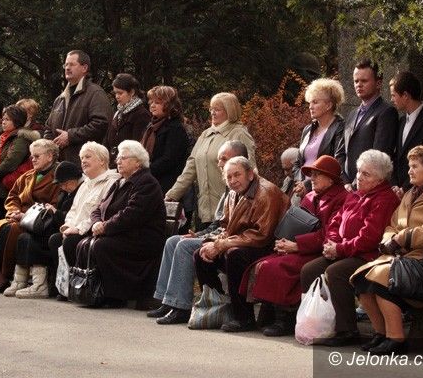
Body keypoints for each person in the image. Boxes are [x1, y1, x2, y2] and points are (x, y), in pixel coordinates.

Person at [351, 146, 423, 355]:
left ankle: (396, 338)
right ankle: (381, 333)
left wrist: (402, 238)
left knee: (381, 279)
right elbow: (392, 224)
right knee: (361, 279)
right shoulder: (410, 194)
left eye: (414, 166)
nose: (409, 171)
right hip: (403, 258)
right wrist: (388, 239)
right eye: (409, 166)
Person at [238, 155, 348, 336]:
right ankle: (271, 312)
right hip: (300, 246)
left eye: (317, 175)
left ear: (331, 179)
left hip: (318, 250)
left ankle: (286, 318)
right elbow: (295, 223)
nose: (312, 179)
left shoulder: (342, 198)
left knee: (279, 267)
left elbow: (329, 234)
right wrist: (284, 242)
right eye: (311, 175)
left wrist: (297, 246)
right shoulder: (310, 196)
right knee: (264, 263)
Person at [300, 149, 400, 346]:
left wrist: (340, 249)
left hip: (368, 255)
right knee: (309, 270)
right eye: (359, 171)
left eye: (366, 174)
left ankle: (347, 330)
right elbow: (336, 222)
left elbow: (369, 238)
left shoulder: (384, 199)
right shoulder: (355, 195)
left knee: (336, 272)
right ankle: (315, 325)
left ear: (380, 179)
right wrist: (331, 243)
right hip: (345, 250)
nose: (359, 177)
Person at [148, 140, 248, 324]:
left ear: (239, 159)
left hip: (229, 240)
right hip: (218, 235)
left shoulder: (243, 188)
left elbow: (230, 229)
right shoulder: (230, 189)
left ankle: (181, 307)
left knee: (184, 246)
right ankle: (166, 300)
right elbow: (218, 224)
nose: (219, 163)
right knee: (172, 241)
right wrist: (199, 235)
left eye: (223, 159)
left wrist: (207, 238)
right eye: (219, 159)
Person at [193, 156, 288, 332]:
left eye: (237, 175)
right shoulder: (232, 193)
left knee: (234, 255)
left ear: (250, 174)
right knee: (201, 253)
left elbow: (262, 235)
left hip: (269, 245)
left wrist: (223, 245)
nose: (233, 180)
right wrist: (214, 243)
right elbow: (226, 227)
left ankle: (244, 317)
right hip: (242, 242)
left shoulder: (266, 192)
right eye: (228, 177)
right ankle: (219, 309)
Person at [74, 140, 166, 307]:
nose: (118, 161)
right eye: (118, 158)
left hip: (142, 237)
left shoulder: (147, 183)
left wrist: (105, 226)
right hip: (122, 233)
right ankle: (91, 291)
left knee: (101, 246)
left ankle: (115, 295)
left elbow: (132, 214)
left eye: (123, 158)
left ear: (138, 162)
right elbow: (98, 209)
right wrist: (96, 223)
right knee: (84, 244)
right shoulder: (119, 182)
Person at [0, 139, 60, 294]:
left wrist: (25, 215)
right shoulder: (27, 175)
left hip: (39, 222)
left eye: (37, 156)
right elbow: (13, 197)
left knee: (10, 230)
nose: (33, 159)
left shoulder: (57, 177)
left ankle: (3, 276)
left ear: (50, 156)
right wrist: (13, 210)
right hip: (18, 216)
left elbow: (54, 205)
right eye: (31, 156)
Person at [165, 92, 255, 229]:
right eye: (211, 109)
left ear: (230, 111)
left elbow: (250, 170)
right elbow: (190, 169)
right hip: (204, 210)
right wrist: (172, 194)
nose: (212, 112)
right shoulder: (205, 135)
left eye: (217, 109)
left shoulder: (239, 133)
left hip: (231, 209)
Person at [48, 142, 120, 285]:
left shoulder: (111, 182)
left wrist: (78, 229)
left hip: (93, 231)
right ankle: (64, 286)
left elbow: (100, 212)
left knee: (70, 242)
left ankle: (79, 285)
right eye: (81, 158)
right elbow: (74, 210)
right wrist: (68, 225)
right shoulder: (86, 183)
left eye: (88, 157)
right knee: (55, 239)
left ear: (102, 160)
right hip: (75, 229)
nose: (83, 161)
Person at [11, 161, 83, 299]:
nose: (63, 187)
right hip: (56, 226)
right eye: (61, 184)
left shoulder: (80, 191)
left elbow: (72, 216)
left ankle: (40, 285)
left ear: (74, 180)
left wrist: (55, 212)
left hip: (65, 228)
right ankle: (19, 281)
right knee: (24, 236)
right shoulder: (66, 192)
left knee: (36, 239)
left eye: (65, 184)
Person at [44, 50, 112, 165]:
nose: (67, 68)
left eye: (72, 64)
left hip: (84, 165)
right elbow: (48, 128)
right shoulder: (60, 99)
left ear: (84, 68)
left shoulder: (95, 93)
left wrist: (70, 136)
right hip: (58, 165)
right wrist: (49, 146)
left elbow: (101, 123)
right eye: (66, 64)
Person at [342, 60, 398, 188]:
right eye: (356, 81)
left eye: (364, 81)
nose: (359, 85)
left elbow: (379, 154)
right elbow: (341, 152)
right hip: (347, 187)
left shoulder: (386, 112)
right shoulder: (351, 114)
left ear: (378, 83)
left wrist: (356, 183)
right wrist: (345, 182)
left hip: (370, 186)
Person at [292, 78, 346, 203]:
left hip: (325, 193)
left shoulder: (340, 128)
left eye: (315, 102)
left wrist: (307, 184)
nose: (310, 106)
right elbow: (297, 163)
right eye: (310, 102)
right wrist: (301, 183)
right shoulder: (308, 129)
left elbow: (336, 164)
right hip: (302, 191)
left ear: (329, 105)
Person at [0, 105, 40, 200]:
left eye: (7, 119)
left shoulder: (21, 138)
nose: (3, 122)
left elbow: (11, 161)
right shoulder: (5, 137)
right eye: (3, 119)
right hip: (2, 182)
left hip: (12, 185)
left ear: (17, 121)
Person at [140, 86, 190, 193]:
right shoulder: (151, 125)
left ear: (168, 105)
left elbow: (169, 160)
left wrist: (145, 171)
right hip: (149, 181)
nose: (152, 105)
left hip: (166, 185)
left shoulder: (175, 128)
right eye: (151, 102)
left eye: (157, 102)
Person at [103, 73, 151, 166]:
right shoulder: (118, 113)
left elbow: (137, 147)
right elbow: (108, 140)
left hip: (128, 167)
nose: (117, 96)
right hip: (113, 165)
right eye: (115, 93)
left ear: (132, 92)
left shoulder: (142, 115)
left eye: (120, 93)